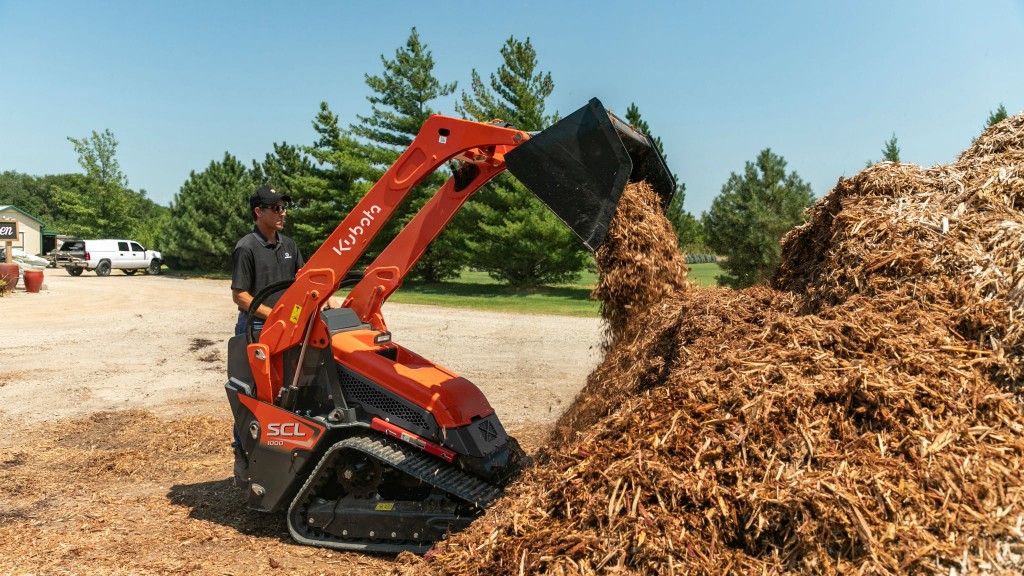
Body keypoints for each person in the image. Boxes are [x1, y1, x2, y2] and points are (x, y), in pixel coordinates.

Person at [228, 184, 338, 486]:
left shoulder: (289, 245)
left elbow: (306, 281)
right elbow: (240, 296)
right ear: (258, 211)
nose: (282, 212)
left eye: (283, 207)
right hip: (259, 330)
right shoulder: (246, 247)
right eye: (275, 207)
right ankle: (244, 456)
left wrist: (324, 298)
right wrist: (275, 316)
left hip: (293, 330)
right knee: (253, 395)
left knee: (291, 392)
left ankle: (286, 458)